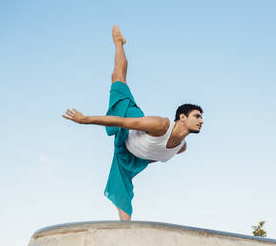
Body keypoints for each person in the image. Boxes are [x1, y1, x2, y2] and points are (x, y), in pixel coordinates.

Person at [63, 25, 204, 221]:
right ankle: (119, 43)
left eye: (201, 117)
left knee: (122, 189)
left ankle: (126, 232)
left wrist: (142, 158)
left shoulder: (182, 147)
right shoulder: (160, 125)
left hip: (133, 158)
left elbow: (156, 157)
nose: (201, 120)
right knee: (118, 77)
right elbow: (122, 121)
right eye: (197, 116)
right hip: (128, 128)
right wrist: (85, 119)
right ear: (182, 117)